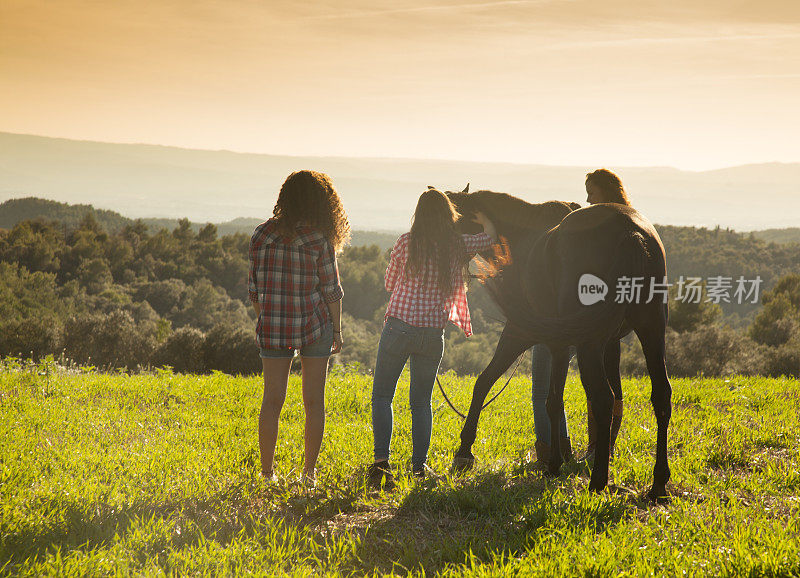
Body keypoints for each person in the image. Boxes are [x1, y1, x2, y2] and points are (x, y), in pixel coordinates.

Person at [368, 189, 497, 489]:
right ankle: (418, 469)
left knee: (383, 396)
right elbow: (489, 238)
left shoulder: (405, 242)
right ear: (447, 215)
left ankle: (380, 465)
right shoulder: (457, 245)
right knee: (421, 403)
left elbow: (389, 283)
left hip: (398, 327)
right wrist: (485, 218)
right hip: (431, 333)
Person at [248, 170, 349, 485]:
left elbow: (254, 291)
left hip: (273, 327)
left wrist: (269, 317)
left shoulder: (260, 235)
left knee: (272, 399)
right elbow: (332, 291)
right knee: (313, 401)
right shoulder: (319, 239)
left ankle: (267, 474)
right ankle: (308, 474)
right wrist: (337, 331)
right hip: (313, 325)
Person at [530, 168, 630, 468]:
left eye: (592, 191)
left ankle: (600, 447)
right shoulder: (619, 222)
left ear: (606, 191)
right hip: (609, 316)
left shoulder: (604, 228)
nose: (587, 198)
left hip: (596, 317)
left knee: (603, 380)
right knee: (606, 379)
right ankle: (597, 448)